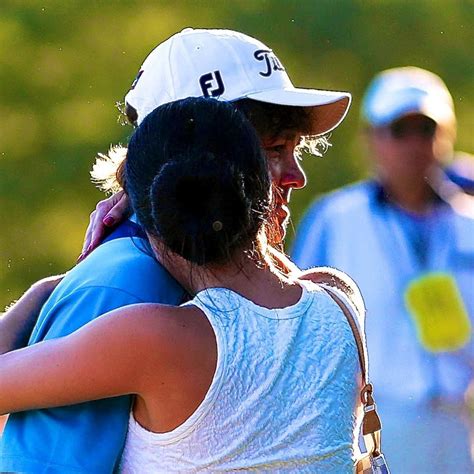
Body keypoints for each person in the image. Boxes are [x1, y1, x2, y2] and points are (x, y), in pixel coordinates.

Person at [0, 28, 352, 472]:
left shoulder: (149, 306)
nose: (295, 175)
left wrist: (46, 291)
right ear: (212, 152)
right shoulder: (125, 283)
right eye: (275, 148)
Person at [292, 66, 474, 472]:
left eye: (425, 130)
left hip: (456, 424)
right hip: (369, 422)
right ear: (372, 138)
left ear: (445, 136)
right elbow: (301, 322)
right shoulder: (335, 217)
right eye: (399, 130)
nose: (414, 144)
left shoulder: (469, 223)